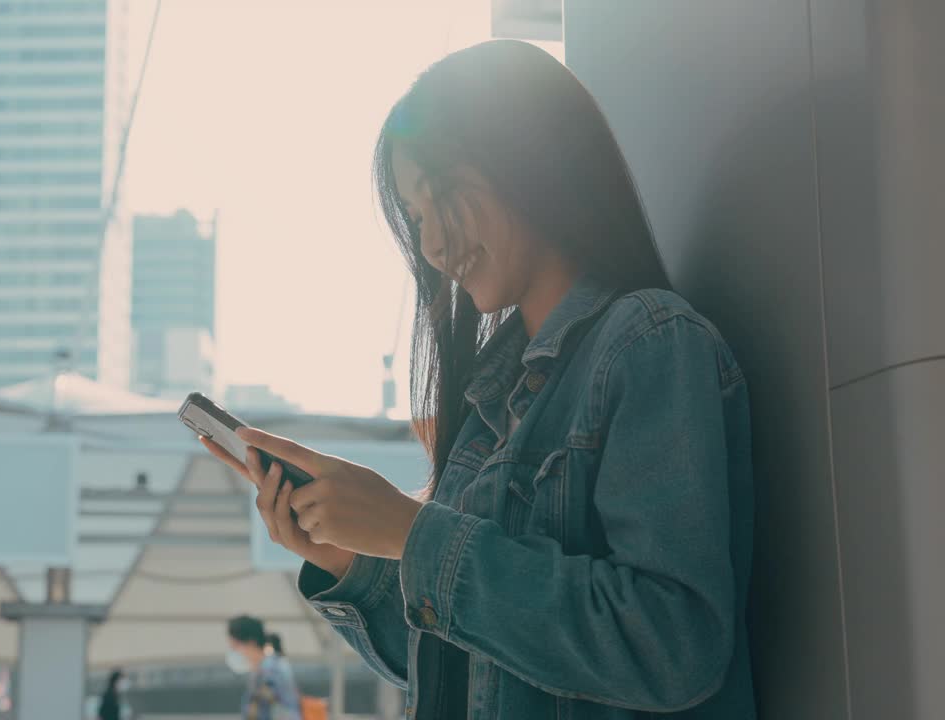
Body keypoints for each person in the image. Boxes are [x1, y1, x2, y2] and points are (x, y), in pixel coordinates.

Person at [201, 39, 755, 720]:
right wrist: (352, 560)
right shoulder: (487, 410)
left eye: (446, 196)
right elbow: (468, 672)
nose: (433, 244)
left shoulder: (647, 342)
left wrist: (412, 533)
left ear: (533, 162)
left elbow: (673, 648)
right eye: (418, 215)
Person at [227, 615, 302, 720]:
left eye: (235, 646)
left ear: (251, 642)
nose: (233, 652)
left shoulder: (273, 669)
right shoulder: (259, 672)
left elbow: (285, 710)